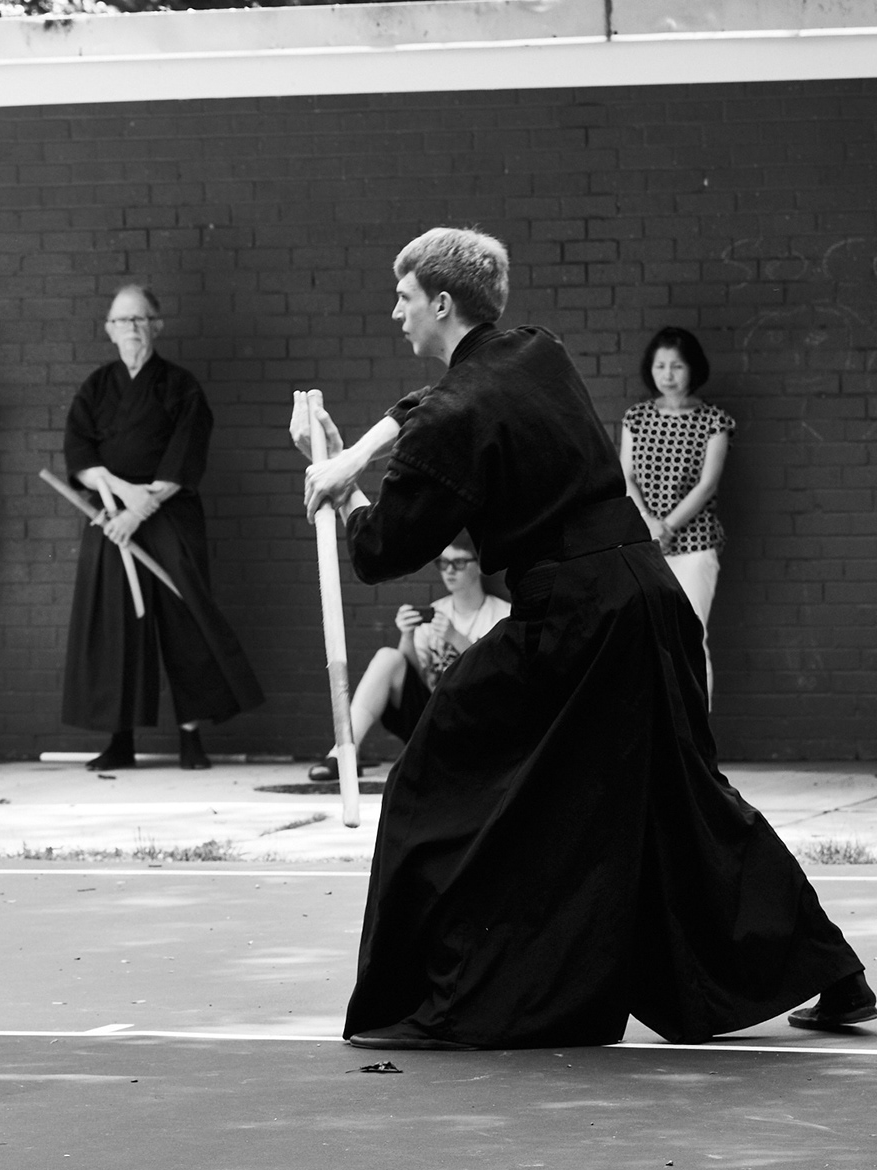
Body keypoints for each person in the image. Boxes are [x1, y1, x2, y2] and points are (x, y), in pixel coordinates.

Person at [294, 227, 870, 1051]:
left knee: (432, 774)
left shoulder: (454, 417)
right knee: (687, 796)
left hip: (577, 617)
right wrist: (353, 453)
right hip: (646, 595)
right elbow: (426, 403)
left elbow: (381, 549)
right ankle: (839, 977)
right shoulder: (538, 350)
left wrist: (342, 491)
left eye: (405, 298)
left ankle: (446, 991)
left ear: (442, 303)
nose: (396, 312)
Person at [62, 284, 264, 771]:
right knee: (116, 624)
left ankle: (191, 736)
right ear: (109, 330)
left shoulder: (180, 386)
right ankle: (120, 739)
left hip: (168, 514)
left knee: (183, 617)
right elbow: (80, 455)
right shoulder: (96, 387)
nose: (131, 328)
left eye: (139, 319)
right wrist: (119, 495)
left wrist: (140, 508)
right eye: (122, 320)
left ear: (156, 326)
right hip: (110, 517)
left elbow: (185, 456)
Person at [308, 534, 509, 782]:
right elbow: (417, 675)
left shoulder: (501, 615)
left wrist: (456, 638)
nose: (449, 571)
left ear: (478, 565)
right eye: (443, 563)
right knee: (388, 657)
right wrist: (407, 636)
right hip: (432, 715)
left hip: (475, 722)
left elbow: (497, 678)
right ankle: (343, 753)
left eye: (458, 563)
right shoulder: (436, 612)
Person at [619, 326, 732, 701]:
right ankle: (660, 732)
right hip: (644, 545)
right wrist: (650, 524)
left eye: (677, 366)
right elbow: (626, 477)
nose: (667, 375)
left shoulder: (714, 421)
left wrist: (666, 526)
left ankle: (697, 731)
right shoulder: (636, 418)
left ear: (693, 369)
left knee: (690, 635)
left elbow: (707, 485)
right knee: (646, 638)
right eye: (660, 366)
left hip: (695, 546)